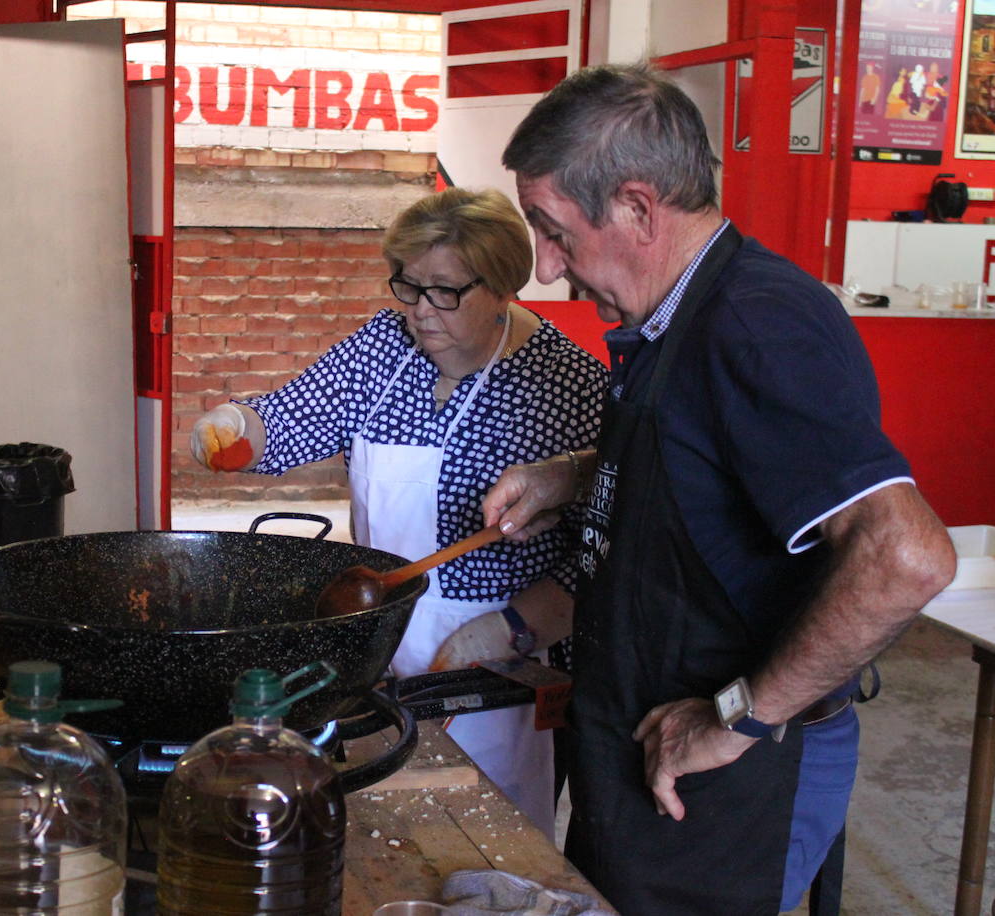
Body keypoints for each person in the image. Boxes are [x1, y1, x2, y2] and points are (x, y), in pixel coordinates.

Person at [484, 64, 956, 914]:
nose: (548, 271)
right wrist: (575, 474)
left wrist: (737, 715)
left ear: (635, 208)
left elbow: (906, 554)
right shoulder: (671, 316)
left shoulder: (759, 323)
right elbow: (711, 462)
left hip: (731, 784)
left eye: (554, 233)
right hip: (638, 755)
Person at [189, 187, 607, 840]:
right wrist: (237, 426)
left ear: (501, 288)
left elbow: (603, 555)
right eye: (406, 286)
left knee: (483, 844)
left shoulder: (565, 386)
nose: (418, 312)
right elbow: (295, 416)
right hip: (374, 637)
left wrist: (516, 628)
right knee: (377, 832)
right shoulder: (383, 350)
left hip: (494, 666)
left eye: (443, 291)